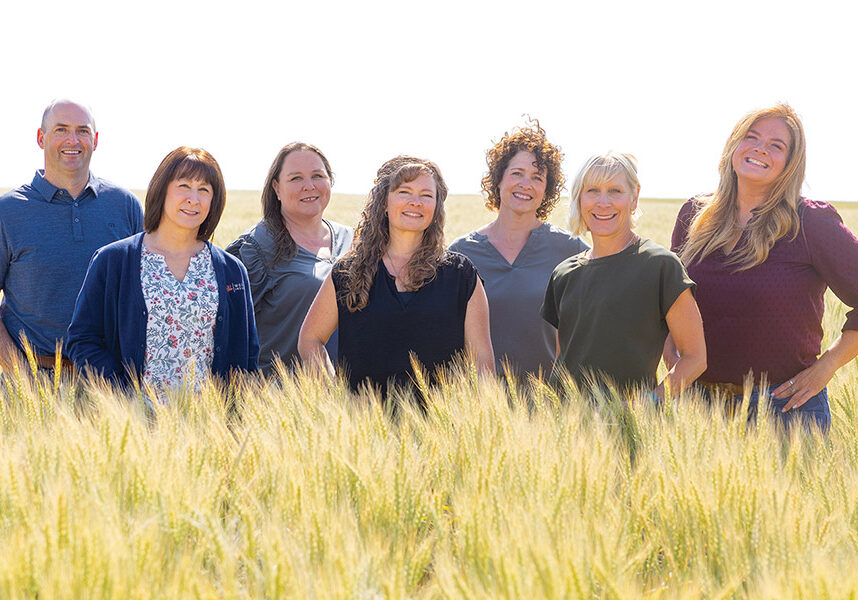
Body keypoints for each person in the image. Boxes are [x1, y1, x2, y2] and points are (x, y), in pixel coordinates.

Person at [671, 104, 858, 430]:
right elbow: (671, 298)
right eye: (751, 136)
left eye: (776, 145)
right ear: (734, 145)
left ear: (789, 163)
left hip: (785, 410)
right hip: (698, 407)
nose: (760, 148)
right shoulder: (694, 215)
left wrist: (825, 367)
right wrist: (673, 361)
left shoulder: (810, 222)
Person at [298, 156, 494, 398]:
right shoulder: (349, 273)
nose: (415, 202)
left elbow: (482, 358)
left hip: (440, 429)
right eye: (404, 192)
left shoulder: (461, 275)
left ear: (436, 207)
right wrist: (337, 395)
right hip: (363, 429)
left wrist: (474, 410)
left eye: (426, 195)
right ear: (384, 203)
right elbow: (310, 338)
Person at [67, 147, 258, 389]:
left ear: (214, 200)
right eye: (184, 186)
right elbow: (83, 340)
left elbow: (248, 355)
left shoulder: (232, 270)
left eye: (204, 190)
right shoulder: (113, 260)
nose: (193, 199)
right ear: (162, 188)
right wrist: (122, 397)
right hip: (132, 421)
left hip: (209, 422)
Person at [542, 152, 706, 399]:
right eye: (592, 191)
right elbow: (563, 359)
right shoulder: (563, 274)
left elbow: (695, 358)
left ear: (634, 197)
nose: (603, 202)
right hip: (568, 425)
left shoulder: (660, 266)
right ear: (579, 198)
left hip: (626, 427)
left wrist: (647, 405)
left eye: (615, 191)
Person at [0, 99, 143, 371]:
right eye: (61, 130)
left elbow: (145, 294)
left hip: (109, 381)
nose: (73, 140)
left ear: (96, 139)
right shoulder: (7, 212)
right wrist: (21, 374)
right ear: (41, 138)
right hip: (32, 379)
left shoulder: (125, 206)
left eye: (83, 130)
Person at [449, 121, 587, 377]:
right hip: (479, 405)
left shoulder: (570, 250)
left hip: (552, 407)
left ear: (547, 189)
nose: (526, 184)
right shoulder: (461, 254)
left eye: (537, 178)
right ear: (498, 179)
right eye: (517, 173)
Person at [226, 143, 353, 374]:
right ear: (276, 187)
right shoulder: (255, 248)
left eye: (318, 176)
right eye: (296, 178)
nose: (309, 186)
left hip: (349, 399)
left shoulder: (353, 240)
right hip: (281, 396)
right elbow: (229, 331)